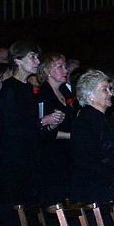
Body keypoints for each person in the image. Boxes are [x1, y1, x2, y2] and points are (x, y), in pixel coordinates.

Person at [0, 41, 63, 226]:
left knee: (31, 220)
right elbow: (10, 129)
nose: (37, 61)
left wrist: (48, 126)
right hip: (14, 166)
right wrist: (42, 121)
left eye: (37, 56)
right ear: (17, 60)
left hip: (28, 162)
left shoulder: (25, 89)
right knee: (17, 222)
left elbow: (30, 128)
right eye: (32, 57)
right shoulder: (9, 89)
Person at [70, 69, 114, 203]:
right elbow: (87, 161)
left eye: (109, 89)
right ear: (90, 96)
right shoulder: (86, 121)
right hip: (96, 195)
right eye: (105, 89)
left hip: (107, 190)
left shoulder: (104, 120)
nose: (110, 93)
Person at [37, 52, 75, 204]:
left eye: (65, 67)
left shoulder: (65, 91)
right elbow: (44, 133)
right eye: (60, 67)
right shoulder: (43, 94)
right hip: (52, 155)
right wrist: (72, 136)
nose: (65, 71)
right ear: (47, 71)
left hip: (68, 152)